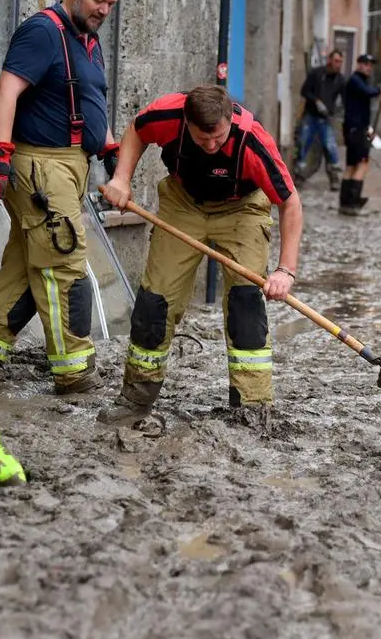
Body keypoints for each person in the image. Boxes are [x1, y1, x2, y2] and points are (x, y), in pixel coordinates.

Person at [0, 0, 121, 395]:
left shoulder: (88, 40)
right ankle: (74, 372)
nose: (104, 9)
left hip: (69, 167)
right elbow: (6, 90)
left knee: (23, 268)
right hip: (41, 170)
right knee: (64, 265)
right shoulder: (43, 32)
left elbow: (89, 100)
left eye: (110, 3)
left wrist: (108, 146)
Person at [96, 86, 304, 424]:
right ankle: (135, 399)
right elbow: (137, 129)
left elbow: (290, 202)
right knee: (154, 303)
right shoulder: (167, 115)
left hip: (242, 210)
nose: (210, 146)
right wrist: (122, 178)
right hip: (183, 204)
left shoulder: (253, 141)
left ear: (229, 121)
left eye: (218, 138)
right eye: (201, 139)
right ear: (186, 122)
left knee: (245, 303)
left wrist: (286, 271)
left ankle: (252, 408)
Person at [338, 54, 381, 216]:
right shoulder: (355, 80)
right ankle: (352, 201)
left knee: (352, 165)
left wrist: (368, 129)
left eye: (371, 65)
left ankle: (345, 201)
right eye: (365, 64)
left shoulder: (360, 81)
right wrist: (379, 90)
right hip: (355, 129)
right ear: (358, 65)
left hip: (357, 128)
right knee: (362, 163)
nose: (368, 67)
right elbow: (366, 92)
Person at [295, 50, 346, 191]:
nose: (338, 65)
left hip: (325, 119)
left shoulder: (340, 80)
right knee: (303, 144)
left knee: (331, 147)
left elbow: (345, 99)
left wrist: (338, 113)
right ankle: (299, 175)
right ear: (329, 60)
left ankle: (334, 178)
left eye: (340, 62)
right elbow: (304, 91)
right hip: (310, 116)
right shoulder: (316, 74)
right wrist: (316, 101)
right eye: (336, 61)